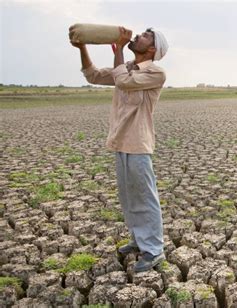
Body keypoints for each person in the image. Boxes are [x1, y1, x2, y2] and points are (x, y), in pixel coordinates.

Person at [70, 26, 169, 272]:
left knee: (145, 197)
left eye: (145, 35)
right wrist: (83, 47)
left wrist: (121, 49)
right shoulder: (126, 68)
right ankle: (138, 241)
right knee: (128, 197)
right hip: (120, 141)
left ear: (153, 48)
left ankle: (154, 250)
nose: (138, 36)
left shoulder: (156, 72)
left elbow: (123, 82)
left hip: (138, 143)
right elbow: (92, 75)